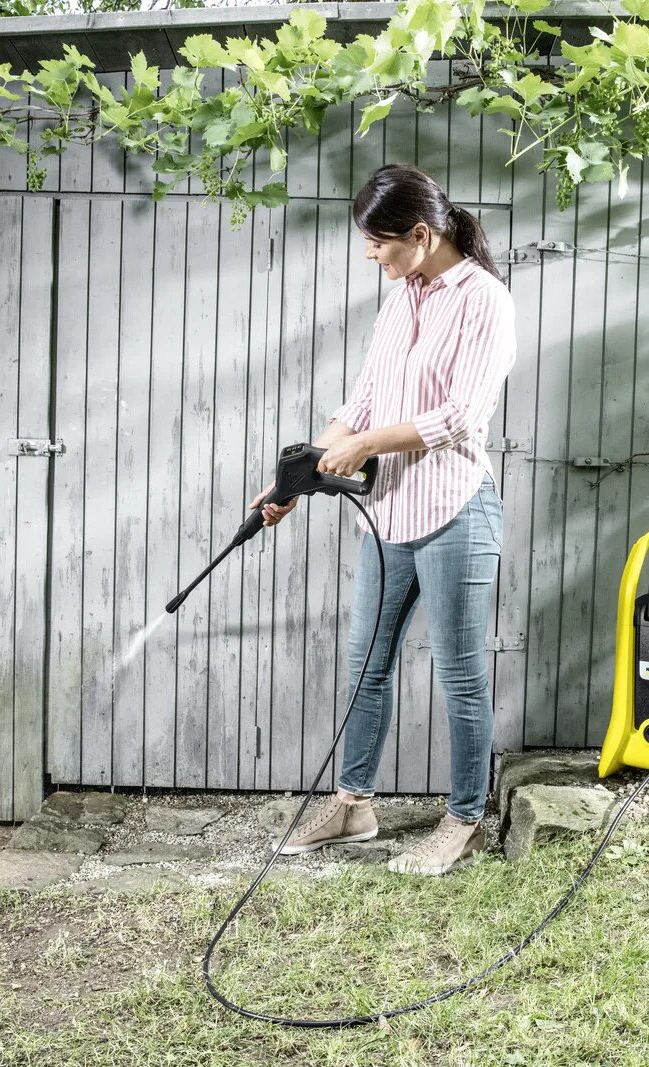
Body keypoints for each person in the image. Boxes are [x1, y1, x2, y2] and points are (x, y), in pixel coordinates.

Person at [249, 163, 517, 876]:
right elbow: (361, 402)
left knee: (460, 678)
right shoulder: (403, 298)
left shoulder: (484, 301)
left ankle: (462, 817)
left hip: (454, 510)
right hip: (384, 514)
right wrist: (297, 477)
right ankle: (353, 805)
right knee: (364, 666)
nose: (370, 254)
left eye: (378, 242)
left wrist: (363, 446)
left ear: (420, 235)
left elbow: (459, 416)